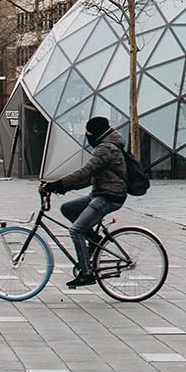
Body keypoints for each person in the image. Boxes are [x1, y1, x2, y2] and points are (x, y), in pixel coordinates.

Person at [41, 114, 128, 289]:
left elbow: (84, 172)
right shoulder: (107, 146)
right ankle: (94, 239)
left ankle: (87, 273)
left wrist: (57, 183)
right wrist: (62, 188)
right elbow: (90, 178)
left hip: (109, 196)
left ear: (96, 133)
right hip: (101, 193)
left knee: (76, 231)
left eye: (88, 132)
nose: (87, 136)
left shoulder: (106, 149)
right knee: (68, 209)